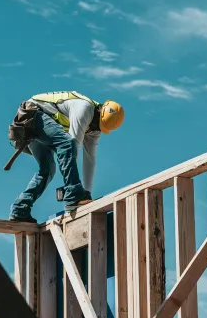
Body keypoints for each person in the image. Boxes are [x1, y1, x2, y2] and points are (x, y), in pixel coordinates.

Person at [8, 91, 124, 223]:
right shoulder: (84, 108)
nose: (93, 129)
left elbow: (90, 160)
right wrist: (77, 195)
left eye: (98, 127)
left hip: (37, 123)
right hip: (32, 115)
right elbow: (73, 145)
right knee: (67, 144)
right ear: (99, 111)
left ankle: (20, 209)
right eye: (96, 124)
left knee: (47, 169)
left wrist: (87, 193)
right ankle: (73, 195)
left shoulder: (94, 128)